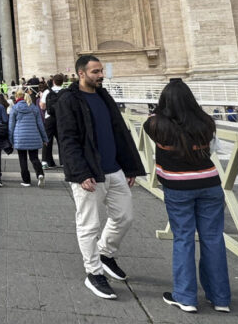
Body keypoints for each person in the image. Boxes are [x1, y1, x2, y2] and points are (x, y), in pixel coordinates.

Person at [56, 55, 146, 301]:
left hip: (115, 169)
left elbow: (119, 133)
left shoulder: (104, 96)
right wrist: (80, 172)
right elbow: (67, 139)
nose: (101, 75)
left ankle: (105, 253)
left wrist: (129, 167)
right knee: (89, 225)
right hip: (89, 174)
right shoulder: (68, 100)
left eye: (101, 70)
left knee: (125, 216)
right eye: (96, 71)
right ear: (81, 73)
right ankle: (93, 272)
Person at [143, 79, 230, 314]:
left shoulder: (156, 125)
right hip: (209, 184)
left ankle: (185, 296)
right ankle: (220, 298)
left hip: (179, 187)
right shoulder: (206, 122)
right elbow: (211, 149)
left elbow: (151, 121)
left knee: (183, 238)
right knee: (213, 238)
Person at [10, 88, 47, 187]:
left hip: (20, 137)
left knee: (23, 159)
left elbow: (11, 126)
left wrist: (10, 139)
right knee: (34, 158)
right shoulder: (34, 108)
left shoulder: (15, 108)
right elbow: (40, 124)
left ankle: (26, 181)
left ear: (17, 97)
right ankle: (40, 174)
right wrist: (45, 138)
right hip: (33, 136)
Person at [41, 73, 67, 169]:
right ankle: (64, 162)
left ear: (53, 81)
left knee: (47, 140)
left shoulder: (47, 91)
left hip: (49, 118)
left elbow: (42, 106)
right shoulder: (66, 92)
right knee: (62, 140)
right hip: (62, 118)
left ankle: (46, 161)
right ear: (62, 82)